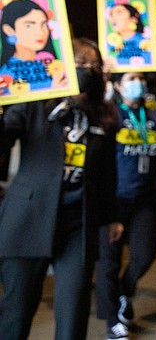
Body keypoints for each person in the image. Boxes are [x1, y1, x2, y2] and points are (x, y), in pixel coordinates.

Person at [0, 37, 120, 340]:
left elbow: (107, 173)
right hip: (27, 219)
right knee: (16, 313)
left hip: (77, 225)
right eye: (81, 64)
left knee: (73, 315)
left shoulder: (103, 115)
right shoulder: (34, 105)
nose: (87, 71)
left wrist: (111, 216)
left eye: (93, 66)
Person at [95, 71, 156, 340]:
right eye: (131, 79)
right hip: (113, 198)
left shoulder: (154, 116)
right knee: (108, 262)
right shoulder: (111, 114)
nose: (138, 83)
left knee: (145, 254)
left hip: (145, 197)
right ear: (117, 86)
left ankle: (125, 290)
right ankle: (112, 320)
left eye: (140, 78)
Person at [0, 0, 68, 92]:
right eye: (29, 25)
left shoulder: (54, 65)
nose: (40, 32)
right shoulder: (6, 73)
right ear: (9, 30)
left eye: (44, 25)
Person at [106, 1, 150, 67]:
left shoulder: (146, 43)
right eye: (111, 15)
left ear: (133, 18)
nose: (113, 18)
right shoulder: (107, 45)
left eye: (119, 13)